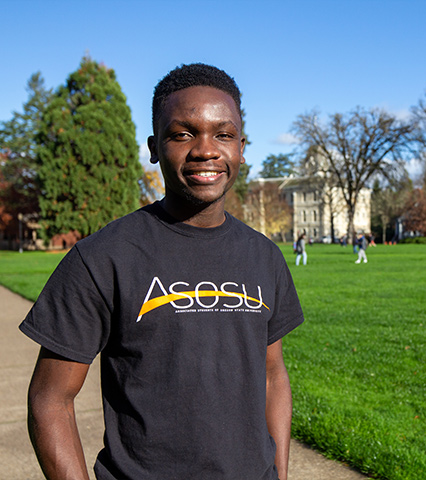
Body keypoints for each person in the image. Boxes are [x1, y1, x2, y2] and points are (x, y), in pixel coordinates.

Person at [20, 63, 304, 480]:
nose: (206, 150)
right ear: (155, 147)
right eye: (183, 133)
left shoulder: (264, 256)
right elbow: (50, 400)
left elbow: (272, 377)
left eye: (223, 135)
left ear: (242, 147)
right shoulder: (102, 257)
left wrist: (278, 473)